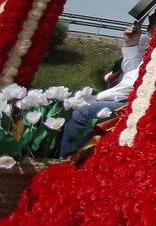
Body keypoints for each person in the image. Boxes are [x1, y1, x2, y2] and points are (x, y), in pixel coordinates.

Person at [59, 21, 149, 156]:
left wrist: (98, 97)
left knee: (84, 111)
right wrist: (131, 44)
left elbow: (134, 84)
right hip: (125, 97)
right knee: (60, 106)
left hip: (134, 104)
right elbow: (133, 73)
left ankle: (67, 162)